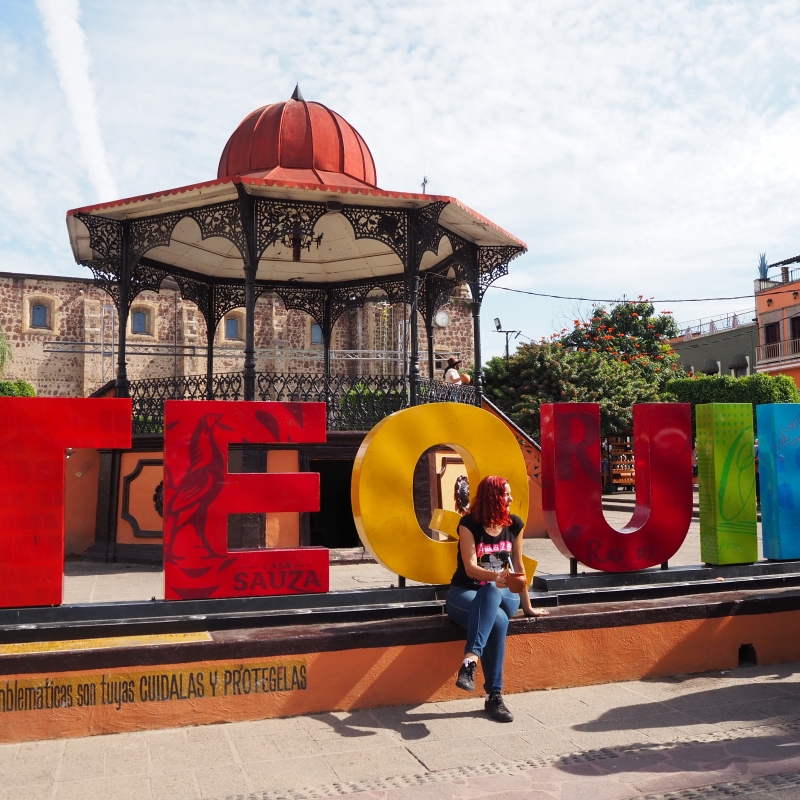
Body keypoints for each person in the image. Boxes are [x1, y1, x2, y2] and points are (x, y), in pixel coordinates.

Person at [446, 476, 549, 722]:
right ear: (493, 498)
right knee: (499, 620)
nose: (511, 499)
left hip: (506, 594)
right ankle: (494, 696)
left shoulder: (515, 524)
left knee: (492, 591)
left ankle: (471, 659)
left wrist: (528, 606)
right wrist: (495, 576)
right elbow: (470, 569)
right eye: (506, 495)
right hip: (465, 593)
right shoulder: (468, 524)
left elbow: (519, 567)